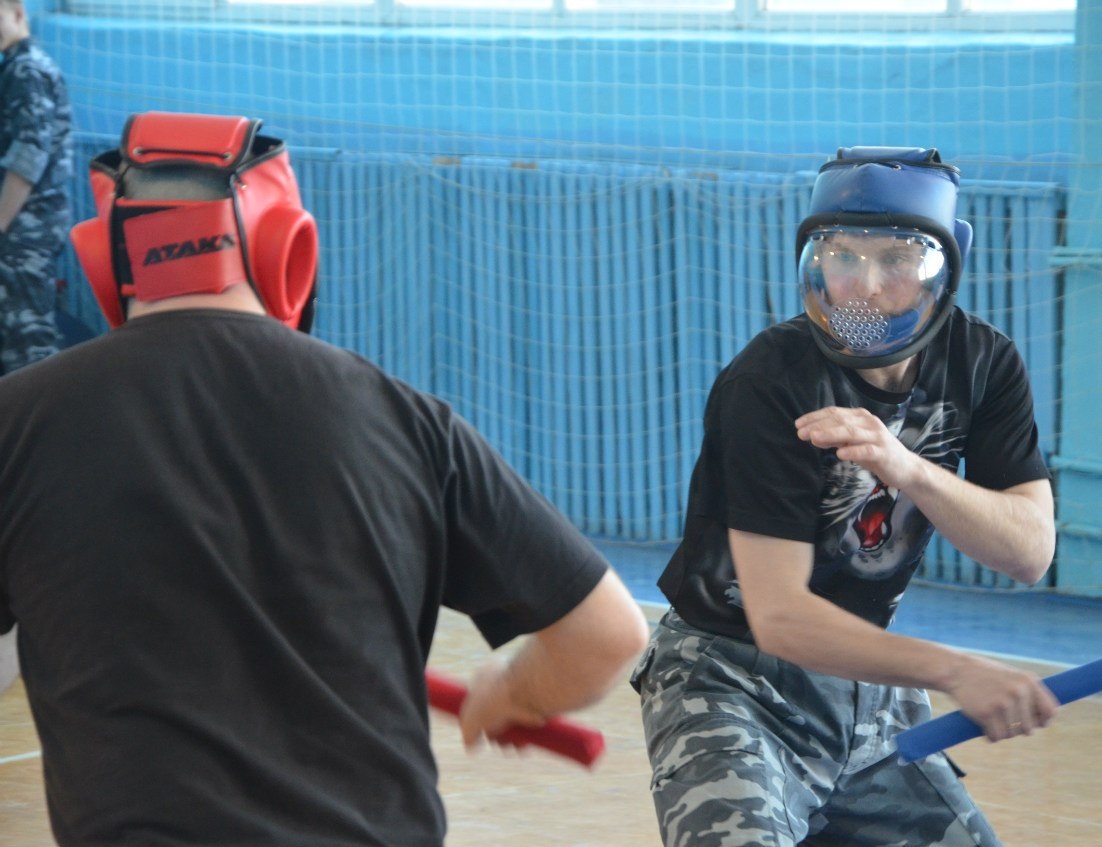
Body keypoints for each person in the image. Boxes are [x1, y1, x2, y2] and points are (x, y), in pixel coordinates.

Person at [0, 111, 650, 846]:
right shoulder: (404, 419)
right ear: (284, 245)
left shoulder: (18, 421)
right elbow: (605, 635)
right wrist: (513, 692)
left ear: (107, 252)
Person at [631, 147, 1060, 847]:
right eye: (842, 256)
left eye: (897, 258)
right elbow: (780, 619)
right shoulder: (769, 379)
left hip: (867, 685)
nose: (864, 286)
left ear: (944, 267)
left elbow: (1028, 553)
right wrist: (955, 670)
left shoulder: (983, 360)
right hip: (732, 678)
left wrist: (909, 469)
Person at [0, 0, 71, 373]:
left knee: (28, 342)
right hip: (24, 224)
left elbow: (29, 156)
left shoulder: (27, 70)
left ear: (17, 13)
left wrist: (0, 223)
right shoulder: (16, 67)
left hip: (27, 226)